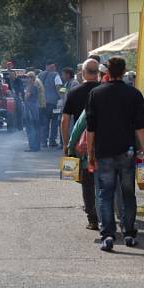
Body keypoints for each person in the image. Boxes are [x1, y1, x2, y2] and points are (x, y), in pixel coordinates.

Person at [86, 56, 144, 252]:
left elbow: (91, 129)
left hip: (104, 151)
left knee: (105, 194)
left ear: (106, 72)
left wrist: (90, 153)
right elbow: (140, 127)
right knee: (128, 193)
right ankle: (129, 233)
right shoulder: (134, 94)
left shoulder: (95, 93)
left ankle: (107, 235)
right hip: (127, 151)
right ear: (123, 72)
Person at [61, 58, 101, 230]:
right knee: (106, 179)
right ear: (97, 73)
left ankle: (92, 217)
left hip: (81, 143)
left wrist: (66, 143)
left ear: (83, 73)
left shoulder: (74, 92)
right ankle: (107, 213)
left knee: (87, 181)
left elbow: (65, 120)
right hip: (104, 139)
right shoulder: (103, 90)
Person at [38, 61, 62, 148]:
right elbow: (58, 87)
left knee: (44, 122)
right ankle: (52, 141)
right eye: (52, 67)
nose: (54, 69)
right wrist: (63, 96)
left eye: (54, 67)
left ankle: (43, 141)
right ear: (48, 66)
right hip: (53, 103)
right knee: (55, 122)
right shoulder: (56, 75)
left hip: (42, 103)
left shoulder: (40, 75)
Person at [23, 71, 44, 151]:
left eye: (28, 77)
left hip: (31, 110)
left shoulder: (32, 86)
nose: (26, 79)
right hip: (33, 109)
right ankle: (35, 146)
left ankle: (33, 147)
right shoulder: (32, 86)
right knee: (34, 128)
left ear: (32, 78)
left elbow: (26, 97)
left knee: (32, 129)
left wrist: (26, 93)